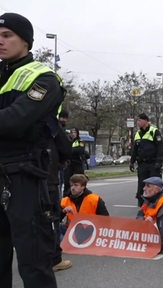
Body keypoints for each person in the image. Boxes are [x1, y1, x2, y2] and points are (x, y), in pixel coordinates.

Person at [0, 12, 65, 288]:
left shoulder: (44, 78)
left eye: (6, 35)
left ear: (25, 41)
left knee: (33, 263)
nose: (0, 41)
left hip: (24, 176)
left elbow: (14, 121)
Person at [47, 115, 73, 272]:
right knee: (51, 217)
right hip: (46, 176)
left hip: (16, 177)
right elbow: (65, 148)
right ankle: (54, 259)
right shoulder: (49, 121)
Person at [130, 113, 163, 207]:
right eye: (137, 120)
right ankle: (142, 204)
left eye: (139, 120)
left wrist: (159, 162)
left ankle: (156, 203)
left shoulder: (154, 131)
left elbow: (160, 148)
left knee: (154, 184)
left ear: (145, 121)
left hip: (153, 163)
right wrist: (132, 162)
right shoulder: (138, 133)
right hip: (142, 164)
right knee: (142, 184)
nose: (138, 122)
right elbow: (134, 150)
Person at [136, 177, 163, 251]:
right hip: (147, 234)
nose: (144, 188)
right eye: (145, 186)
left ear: (157, 190)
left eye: (148, 186)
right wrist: (144, 220)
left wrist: (152, 224)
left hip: (157, 238)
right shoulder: (149, 199)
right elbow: (139, 215)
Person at [63, 127, 85, 197]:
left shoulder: (80, 141)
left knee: (79, 181)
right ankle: (66, 198)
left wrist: (71, 150)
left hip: (77, 164)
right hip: (69, 164)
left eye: (75, 132)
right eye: (72, 132)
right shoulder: (68, 140)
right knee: (67, 183)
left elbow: (80, 150)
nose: (73, 134)